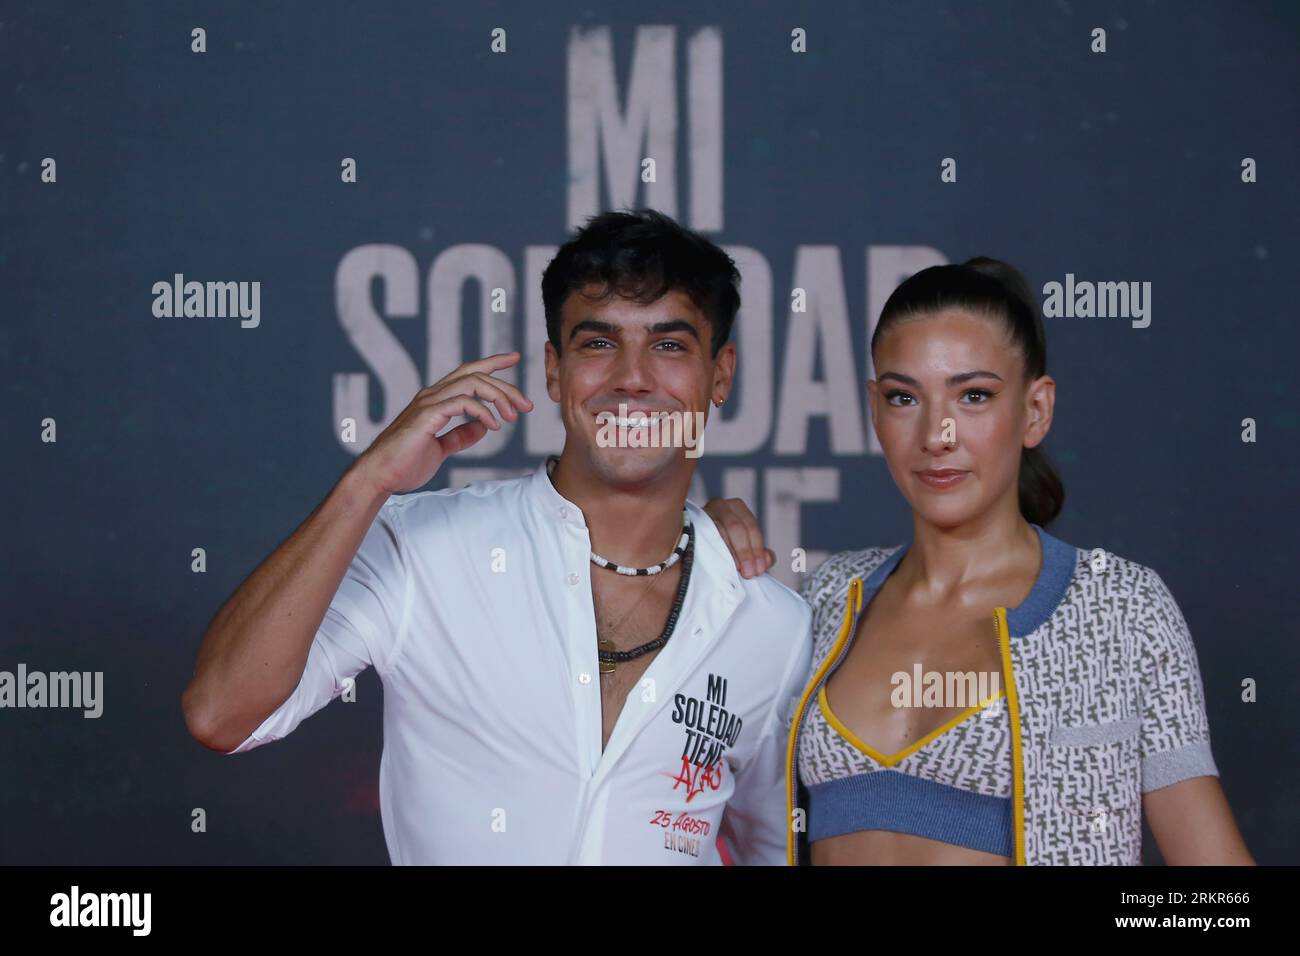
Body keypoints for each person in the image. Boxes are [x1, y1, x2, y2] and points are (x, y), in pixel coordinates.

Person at [181, 209, 812, 865]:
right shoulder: (422, 549)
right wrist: (366, 483)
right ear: (553, 369)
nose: (632, 378)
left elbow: (773, 849)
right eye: (598, 343)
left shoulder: (774, 626)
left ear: (721, 374)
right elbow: (222, 714)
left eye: (670, 345)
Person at [705, 257, 1253, 865]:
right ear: (873, 409)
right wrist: (699, 545)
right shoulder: (829, 596)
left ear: (1035, 410)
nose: (937, 434)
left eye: (973, 395)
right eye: (903, 397)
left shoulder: (1121, 608)